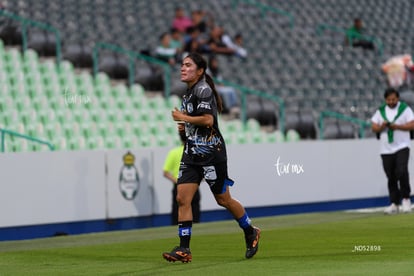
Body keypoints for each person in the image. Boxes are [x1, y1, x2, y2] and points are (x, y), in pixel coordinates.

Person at [162, 52, 260, 263]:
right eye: (182, 65)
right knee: (182, 198)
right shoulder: (188, 94)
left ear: (200, 71)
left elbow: (207, 120)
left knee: (223, 199)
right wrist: (184, 126)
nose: (183, 68)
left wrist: (183, 117)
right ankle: (184, 249)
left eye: (188, 65)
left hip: (210, 154)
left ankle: (250, 230)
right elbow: (195, 125)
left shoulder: (203, 90)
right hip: (191, 153)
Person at [371, 88, 414, 214]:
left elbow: (412, 124)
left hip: (402, 146)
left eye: (393, 99)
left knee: (402, 171)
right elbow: (374, 127)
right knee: (391, 175)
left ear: (398, 98)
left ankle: (406, 199)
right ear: (385, 100)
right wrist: (382, 126)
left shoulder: (404, 109)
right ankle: (394, 203)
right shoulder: (381, 111)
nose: (391, 102)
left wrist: (397, 127)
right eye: (389, 100)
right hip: (386, 149)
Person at [163, 132, 201, 225]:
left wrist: (178, 181)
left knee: (178, 211)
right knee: (194, 212)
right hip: (193, 184)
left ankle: (180, 233)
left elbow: (166, 172)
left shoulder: (174, 152)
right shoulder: (196, 151)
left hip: (179, 185)